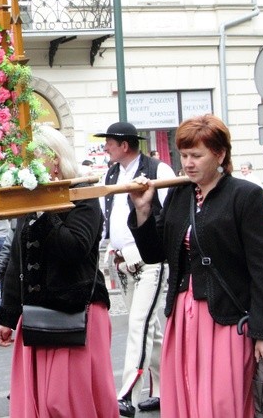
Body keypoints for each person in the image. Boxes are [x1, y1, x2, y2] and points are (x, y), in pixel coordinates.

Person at [127, 114, 263, 417]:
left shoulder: (246, 196)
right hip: (183, 319)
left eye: (196, 155)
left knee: (223, 402)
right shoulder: (179, 193)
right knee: (186, 399)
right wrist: (143, 210)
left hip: (227, 319)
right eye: (183, 155)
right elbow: (155, 253)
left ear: (220, 154)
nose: (187, 163)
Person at [0, 125, 118, 418]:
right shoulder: (31, 199)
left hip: (77, 311)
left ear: (55, 159)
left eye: (35, 158)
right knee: (38, 400)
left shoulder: (84, 195)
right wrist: (8, 316)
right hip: (38, 314)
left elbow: (75, 248)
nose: (30, 167)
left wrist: (47, 207)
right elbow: (18, 258)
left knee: (67, 400)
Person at [95, 122, 175, 416]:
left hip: (151, 260)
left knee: (139, 324)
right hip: (122, 260)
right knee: (149, 330)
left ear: (124, 145)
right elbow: (108, 215)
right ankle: (168, 389)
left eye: (109, 143)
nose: (105, 148)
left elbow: (169, 215)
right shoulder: (112, 173)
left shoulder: (158, 170)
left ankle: (127, 392)